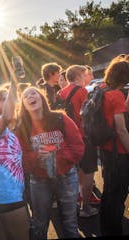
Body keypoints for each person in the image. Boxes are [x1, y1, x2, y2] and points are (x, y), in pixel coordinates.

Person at [16, 86, 84, 239]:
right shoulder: (22, 127)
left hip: (66, 176)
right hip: (39, 180)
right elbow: (19, 157)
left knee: (70, 223)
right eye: (25, 96)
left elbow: (78, 147)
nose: (30, 96)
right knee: (39, 224)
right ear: (23, 105)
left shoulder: (60, 118)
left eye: (34, 93)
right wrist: (36, 157)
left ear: (41, 98)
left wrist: (56, 158)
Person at [0, 86, 29, 240]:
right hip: (6, 192)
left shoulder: (7, 129)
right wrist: (13, 83)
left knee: (6, 236)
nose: (9, 100)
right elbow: (8, 115)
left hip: (0, 192)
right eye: (3, 98)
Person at [58, 65, 99, 217]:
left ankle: (74, 205)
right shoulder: (82, 91)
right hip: (83, 137)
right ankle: (85, 208)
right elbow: (87, 115)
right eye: (85, 74)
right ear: (78, 76)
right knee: (88, 172)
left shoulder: (60, 92)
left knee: (74, 172)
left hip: (68, 138)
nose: (86, 77)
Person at [99, 59, 129, 236]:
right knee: (117, 196)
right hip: (119, 152)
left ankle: (106, 229)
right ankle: (114, 231)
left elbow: (119, 110)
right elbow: (121, 129)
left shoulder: (101, 89)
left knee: (108, 193)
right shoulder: (116, 95)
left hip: (105, 148)